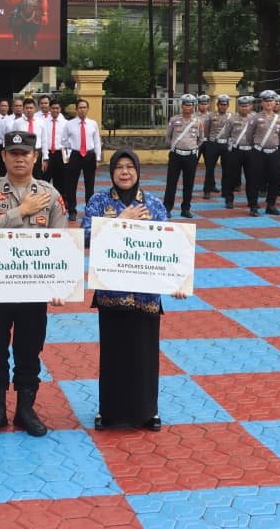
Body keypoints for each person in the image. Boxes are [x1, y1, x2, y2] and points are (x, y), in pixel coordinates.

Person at [83, 148, 187, 431]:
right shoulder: (99, 201)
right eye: (119, 167)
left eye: (130, 167)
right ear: (111, 172)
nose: (125, 172)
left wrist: (177, 281)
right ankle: (108, 412)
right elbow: (86, 236)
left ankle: (148, 412)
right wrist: (120, 221)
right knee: (113, 354)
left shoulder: (153, 204)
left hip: (146, 295)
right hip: (111, 293)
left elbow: (169, 246)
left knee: (144, 355)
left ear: (138, 171)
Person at [0, 131, 67, 437]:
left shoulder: (50, 195)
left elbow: (61, 243)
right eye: (13, 153)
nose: (19, 158)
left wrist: (59, 284)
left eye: (25, 153)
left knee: (29, 351)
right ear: (3, 157)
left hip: (33, 291)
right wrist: (21, 212)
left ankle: (26, 410)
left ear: (35, 157)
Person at [243, 90, 280, 216]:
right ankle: (253, 206)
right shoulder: (255, 117)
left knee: (275, 180)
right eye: (266, 101)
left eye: (271, 101)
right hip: (258, 152)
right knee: (254, 179)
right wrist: (257, 146)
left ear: (275, 102)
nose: (269, 103)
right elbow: (249, 135)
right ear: (262, 103)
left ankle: (270, 205)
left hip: (273, 153)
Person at [61, 99, 101, 221]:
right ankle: (72, 211)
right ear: (76, 109)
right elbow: (63, 140)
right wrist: (73, 147)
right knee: (71, 185)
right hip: (75, 155)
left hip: (89, 155)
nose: (82, 110)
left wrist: (98, 158)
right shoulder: (69, 124)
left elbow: (97, 141)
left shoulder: (93, 124)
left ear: (87, 109)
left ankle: (89, 210)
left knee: (90, 185)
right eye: (80, 107)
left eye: (84, 107)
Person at [163, 94, 202, 219]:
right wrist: (174, 147)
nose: (187, 107)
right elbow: (168, 137)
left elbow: (201, 138)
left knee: (188, 184)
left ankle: (185, 209)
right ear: (182, 106)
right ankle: (167, 208)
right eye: (185, 105)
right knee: (171, 183)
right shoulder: (174, 120)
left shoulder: (198, 121)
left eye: (190, 105)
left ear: (193, 106)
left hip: (190, 156)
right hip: (176, 155)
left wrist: (192, 148)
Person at [221, 96, 253, 209]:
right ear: (238, 106)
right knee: (231, 176)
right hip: (236, 150)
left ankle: (252, 201)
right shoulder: (232, 119)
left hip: (250, 151)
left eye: (246, 106)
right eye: (242, 106)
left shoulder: (254, 118)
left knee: (251, 177)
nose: (244, 108)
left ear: (250, 107)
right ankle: (229, 200)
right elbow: (227, 134)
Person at [202, 95, 232, 198]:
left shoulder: (231, 117)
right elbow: (206, 131)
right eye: (221, 104)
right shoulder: (210, 116)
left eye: (225, 105)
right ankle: (207, 190)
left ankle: (225, 191)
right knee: (210, 168)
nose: (223, 107)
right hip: (213, 144)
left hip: (225, 144)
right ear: (217, 105)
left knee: (227, 170)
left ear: (227, 106)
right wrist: (210, 141)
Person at [40, 98, 67, 199]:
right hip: (48, 154)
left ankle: (60, 203)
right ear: (49, 109)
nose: (55, 110)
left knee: (61, 181)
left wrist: (67, 158)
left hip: (61, 154)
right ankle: (44, 202)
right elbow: (43, 140)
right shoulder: (43, 122)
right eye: (53, 108)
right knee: (44, 180)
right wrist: (44, 157)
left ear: (60, 109)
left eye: (57, 108)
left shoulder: (66, 123)